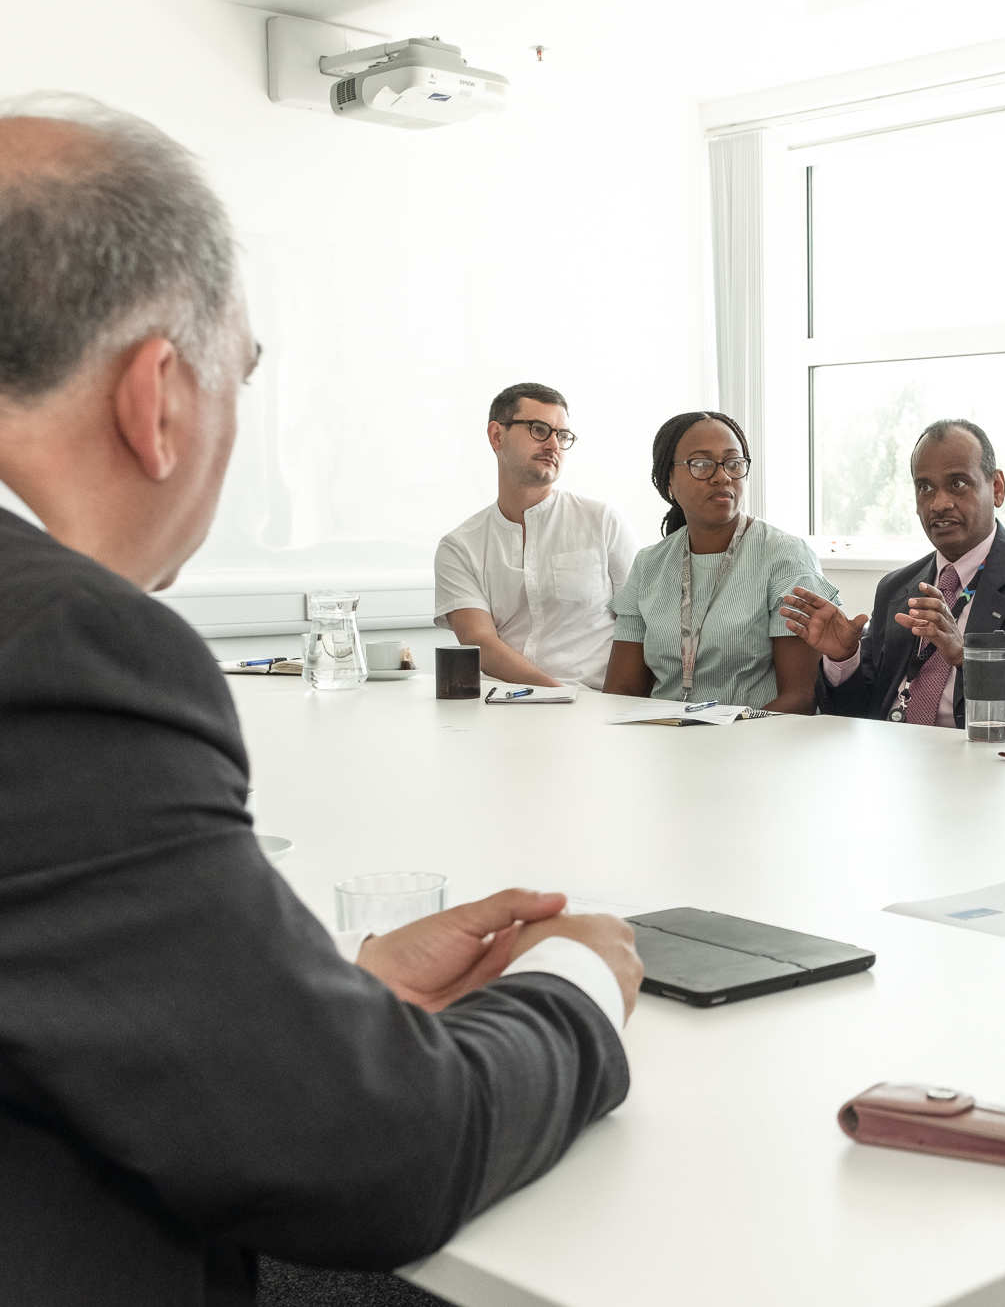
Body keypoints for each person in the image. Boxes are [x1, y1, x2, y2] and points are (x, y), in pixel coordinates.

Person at [0, 93, 644, 1305]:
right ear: (159, 397)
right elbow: (381, 1155)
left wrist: (323, 998)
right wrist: (568, 982)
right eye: (239, 374)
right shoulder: (61, 652)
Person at [782, 419, 1005, 736]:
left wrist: (971, 658)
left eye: (958, 483)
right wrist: (844, 658)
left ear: (996, 488)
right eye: (925, 487)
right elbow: (858, 714)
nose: (939, 503)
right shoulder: (896, 588)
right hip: (892, 766)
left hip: (989, 771)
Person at [603, 411, 834, 713]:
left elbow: (799, 698)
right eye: (701, 464)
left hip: (754, 743)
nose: (722, 476)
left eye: (733, 463)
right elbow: (621, 691)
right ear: (668, 480)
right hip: (662, 740)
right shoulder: (649, 564)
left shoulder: (785, 557)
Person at [434, 381, 640, 689]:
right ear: (496, 436)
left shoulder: (601, 522)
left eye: (562, 435)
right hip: (503, 709)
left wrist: (611, 706)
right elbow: (479, 642)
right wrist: (559, 696)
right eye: (539, 430)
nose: (554, 445)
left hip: (596, 709)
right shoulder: (460, 546)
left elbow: (638, 623)